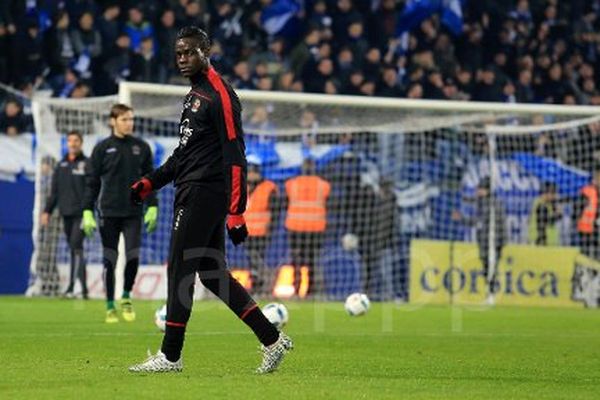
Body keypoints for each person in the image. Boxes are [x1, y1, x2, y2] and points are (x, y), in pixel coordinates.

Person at [127, 26, 292, 374]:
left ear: (206, 51)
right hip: (191, 189)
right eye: (179, 54)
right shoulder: (194, 96)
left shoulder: (220, 94)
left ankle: (170, 356)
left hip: (205, 193)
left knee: (180, 269)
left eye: (190, 52)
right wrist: (151, 182)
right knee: (213, 275)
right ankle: (272, 340)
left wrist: (237, 211)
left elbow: (236, 156)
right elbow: (184, 155)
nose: (183, 59)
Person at [82, 103, 158, 323]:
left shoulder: (142, 147)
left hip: (133, 211)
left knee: (133, 256)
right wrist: (87, 210)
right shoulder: (102, 148)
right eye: (124, 119)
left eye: (131, 119)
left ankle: (126, 296)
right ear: (112, 121)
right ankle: (109, 305)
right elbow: (92, 182)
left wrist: (152, 205)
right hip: (108, 212)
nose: (129, 123)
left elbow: (150, 180)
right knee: (110, 259)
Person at [41, 130, 88, 298]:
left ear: (81, 143)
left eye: (76, 140)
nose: (73, 143)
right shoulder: (61, 165)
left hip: (82, 214)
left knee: (76, 246)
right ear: (67, 143)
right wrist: (47, 211)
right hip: (66, 214)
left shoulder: (87, 164)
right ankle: (83, 289)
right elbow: (54, 193)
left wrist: (90, 210)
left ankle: (73, 286)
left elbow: (93, 188)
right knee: (75, 249)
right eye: (70, 140)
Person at [453, 177, 506, 305]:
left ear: (486, 190)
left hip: (493, 241)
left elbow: (479, 221)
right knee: (487, 267)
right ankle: (490, 294)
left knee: (490, 267)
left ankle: (491, 295)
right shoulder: (486, 201)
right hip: (488, 240)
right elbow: (473, 201)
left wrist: (462, 218)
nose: (477, 191)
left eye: (479, 189)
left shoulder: (489, 204)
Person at [284, 158, 331, 298]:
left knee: (296, 260)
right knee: (312, 261)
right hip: (315, 228)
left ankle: (297, 288)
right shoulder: (324, 185)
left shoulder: (291, 184)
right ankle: (311, 290)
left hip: (295, 227)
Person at [244, 156, 279, 295]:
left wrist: (270, 228)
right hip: (246, 231)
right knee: (252, 261)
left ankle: (262, 285)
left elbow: (275, 211)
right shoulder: (242, 186)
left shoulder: (269, 187)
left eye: (254, 171)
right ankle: (256, 285)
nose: (251, 175)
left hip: (262, 232)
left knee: (258, 259)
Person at [574, 165, 600, 260]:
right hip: (585, 228)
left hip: (596, 228)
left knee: (596, 253)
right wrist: (578, 219)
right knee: (585, 253)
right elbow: (577, 207)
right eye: (597, 176)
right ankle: (585, 272)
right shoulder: (587, 191)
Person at [528, 182, 562, 246]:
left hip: (548, 242)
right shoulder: (541, 205)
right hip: (540, 241)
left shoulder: (547, 204)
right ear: (546, 193)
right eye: (554, 193)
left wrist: (558, 213)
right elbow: (547, 221)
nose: (555, 196)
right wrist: (557, 213)